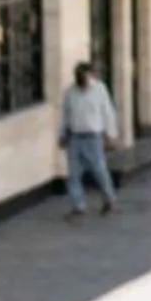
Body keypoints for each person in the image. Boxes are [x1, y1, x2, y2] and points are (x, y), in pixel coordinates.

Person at [58, 60, 121, 219]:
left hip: (93, 137)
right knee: (73, 173)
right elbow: (65, 115)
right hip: (75, 136)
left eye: (84, 78)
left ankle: (109, 199)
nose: (81, 83)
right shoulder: (70, 93)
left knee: (99, 170)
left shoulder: (99, 90)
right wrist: (62, 134)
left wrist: (111, 135)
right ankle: (78, 205)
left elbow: (107, 112)